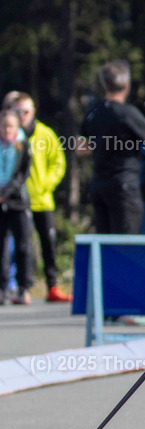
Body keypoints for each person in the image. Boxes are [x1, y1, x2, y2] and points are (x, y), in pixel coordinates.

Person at [80, 59, 145, 234]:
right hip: (124, 186)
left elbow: (81, 148)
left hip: (99, 184)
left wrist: (103, 143)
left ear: (104, 83)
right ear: (126, 84)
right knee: (125, 243)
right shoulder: (128, 113)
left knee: (104, 242)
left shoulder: (94, 111)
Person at [13, 93, 70, 301]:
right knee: (23, 246)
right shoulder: (11, 135)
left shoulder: (45, 134)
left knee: (48, 243)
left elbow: (58, 163)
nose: (22, 115)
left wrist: (46, 185)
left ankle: (52, 286)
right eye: (17, 111)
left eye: (26, 111)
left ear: (33, 112)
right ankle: (23, 288)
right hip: (18, 201)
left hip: (42, 199)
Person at [0, 109, 34, 305]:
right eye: (4, 126)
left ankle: (23, 288)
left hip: (17, 200)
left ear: (17, 127)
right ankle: (2, 287)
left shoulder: (23, 146)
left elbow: (23, 174)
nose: (7, 130)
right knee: (1, 247)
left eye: (10, 126)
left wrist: (4, 194)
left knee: (23, 246)